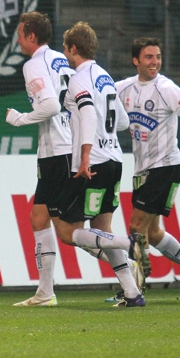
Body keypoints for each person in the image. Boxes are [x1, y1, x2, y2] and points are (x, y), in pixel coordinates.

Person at [51, 22, 148, 307]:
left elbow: (89, 114)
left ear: (73, 49)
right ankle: (132, 294)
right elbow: (122, 121)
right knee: (100, 231)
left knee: (69, 232)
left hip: (91, 164)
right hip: (114, 160)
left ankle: (128, 243)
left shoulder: (79, 79)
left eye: (66, 48)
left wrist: (83, 157)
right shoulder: (104, 76)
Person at [116, 37, 180, 300]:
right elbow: (100, 94)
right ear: (136, 60)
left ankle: (134, 288)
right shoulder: (124, 88)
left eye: (158, 57)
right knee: (151, 233)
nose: (155, 62)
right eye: (149, 57)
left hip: (164, 166)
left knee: (136, 225)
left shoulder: (167, 88)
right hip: (142, 169)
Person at [6, 12, 74, 307]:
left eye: (21, 34)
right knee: (41, 217)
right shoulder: (60, 59)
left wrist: (21, 119)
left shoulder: (33, 64)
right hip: (71, 145)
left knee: (68, 232)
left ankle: (125, 251)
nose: (18, 39)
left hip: (57, 150)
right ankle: (45, 292)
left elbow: (50, 105)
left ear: (32, 36)